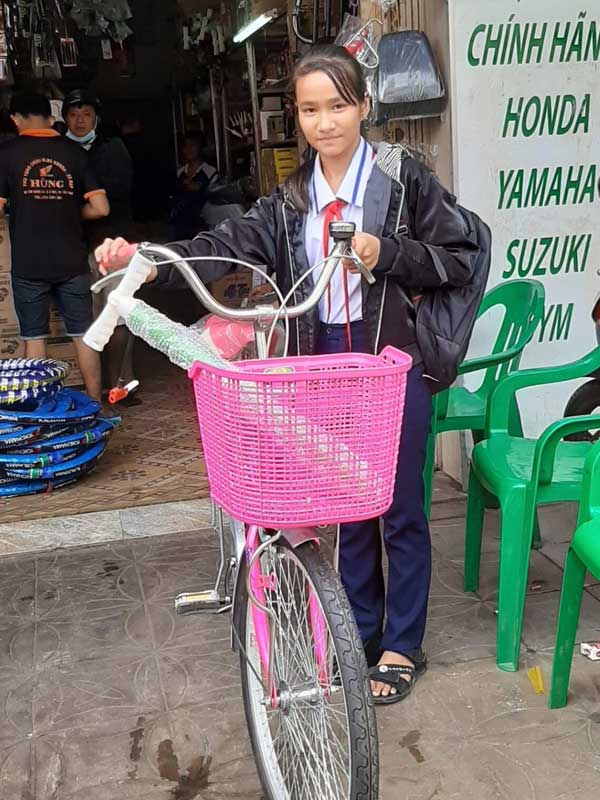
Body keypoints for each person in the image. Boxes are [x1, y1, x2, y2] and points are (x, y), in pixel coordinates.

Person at [96, 45, 479, 703]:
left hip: (389, 360)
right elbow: (227, 245)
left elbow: (461, 254)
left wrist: (384, 252)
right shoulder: (293, 197)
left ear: (363, 106)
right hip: (319, 355)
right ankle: (357, 633)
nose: (324, 122)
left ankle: (401, 644)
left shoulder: (404, 179)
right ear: (298, 117)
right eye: (309, 109)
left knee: (399, 506)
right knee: (347, 505)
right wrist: (154, 258)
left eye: (337, 105)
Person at [0, 91, 109, 401]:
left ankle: (40, 411)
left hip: (29, 263)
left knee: (34, 338)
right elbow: (101, 207)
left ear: (16, 119)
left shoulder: (6, 154)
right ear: (51, 118)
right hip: (72, 260)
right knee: (83, 334)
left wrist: (21, 207)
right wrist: (70, 210)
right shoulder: (75, 153)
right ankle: (95, 403)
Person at [63, 89, 136, 393]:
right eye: (74, 114)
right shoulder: (59, 150)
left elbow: (121, 189)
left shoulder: (113, 148)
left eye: (87, 114)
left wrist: (85, 196)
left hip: (113, 242)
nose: (80, 121)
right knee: (88, 319)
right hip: (74, 244)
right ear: (64, 118)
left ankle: (119, 383)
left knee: (119, 313)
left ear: (97, 118)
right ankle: (95, 384)